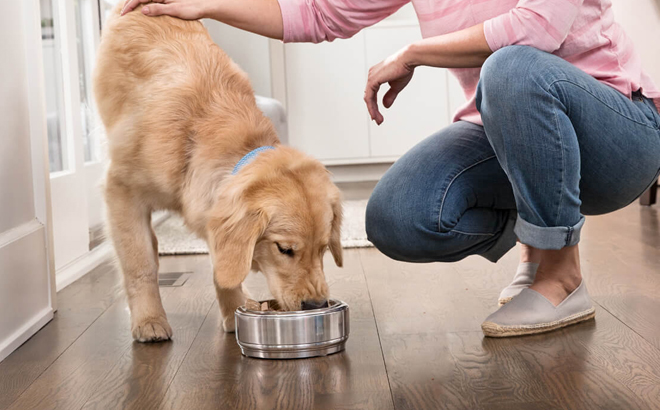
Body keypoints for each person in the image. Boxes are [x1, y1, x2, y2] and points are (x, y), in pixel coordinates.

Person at [120, 0, 660, 337]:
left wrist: (413, 52)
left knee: (512, 66)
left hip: (619, 137)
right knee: (397, 215)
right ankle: (535, 242)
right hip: (506, 133)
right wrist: (205, 5)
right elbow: (317, 13)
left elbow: (536, 27)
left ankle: (560, 274)